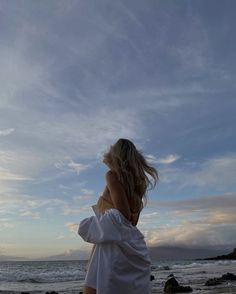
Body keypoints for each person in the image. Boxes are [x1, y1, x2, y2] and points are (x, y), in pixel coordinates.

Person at [78, 138, 159, 294]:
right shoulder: (138, 182)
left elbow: (122, 214)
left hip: (112, 242)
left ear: (116, 154)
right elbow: (132, 221)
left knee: (95, 289)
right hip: (126, 239)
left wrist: (93, 226)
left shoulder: (112, 176)